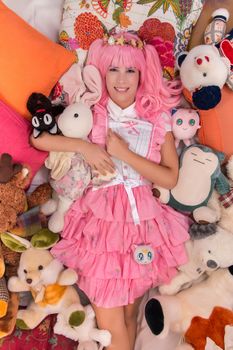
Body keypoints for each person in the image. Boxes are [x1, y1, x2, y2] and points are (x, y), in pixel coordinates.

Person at [31, 31, 190, 350]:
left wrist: (125, 154)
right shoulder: (92, 110)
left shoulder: (156, 116)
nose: (121, 79)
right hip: (100, 228)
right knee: (113, 327)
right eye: (113, 70)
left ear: (142, 73)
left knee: (131, 318)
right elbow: (40, 139)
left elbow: (170, 178)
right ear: (101, 73)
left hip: (144, 227)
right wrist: (85, 148)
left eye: (130, 70)